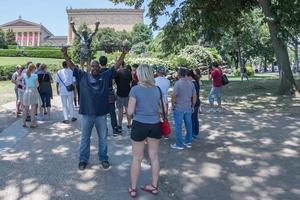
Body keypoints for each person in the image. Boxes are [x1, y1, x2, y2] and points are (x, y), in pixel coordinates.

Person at [61, 46, 128, 171]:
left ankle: (103, 158)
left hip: (101, 114)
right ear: (89, 67)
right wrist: (65, 54)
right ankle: (83, 159)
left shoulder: (105, 75)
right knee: (84, 138)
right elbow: (72, 66)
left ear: (99, 67)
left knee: (103, 138)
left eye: (96, 66)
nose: (95, 68)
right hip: (87, 114)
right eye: (93, 66)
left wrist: (123, 54)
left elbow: (116, 66)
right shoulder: (83, 76)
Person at [127, 64, 163, 198]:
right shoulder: (157, 89)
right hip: (154, 125)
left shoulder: (135, 90)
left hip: (139, 124)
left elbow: (130, 112)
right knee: (154, 157)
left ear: (140, 75)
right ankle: (154, 186)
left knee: (137, 158)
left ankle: (133, 188)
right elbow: (163, 108)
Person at [171, 67, 196, 150]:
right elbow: (194, 96)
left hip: (179, 107)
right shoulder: (191, 83)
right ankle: (188, 141)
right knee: (189, 125)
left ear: (179, 74)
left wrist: (173, 105)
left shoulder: (177, 83)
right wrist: (193, 106)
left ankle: (179, 144)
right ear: (186, 74)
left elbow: (174, 96)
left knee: (178, 126)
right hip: (188, 107)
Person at [99, 55, 121, 136]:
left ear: (99, 62)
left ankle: (104, 130)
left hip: (101, 94)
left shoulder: (98, 71)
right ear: (106, 62)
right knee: (112, 112)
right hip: (110, 92)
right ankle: (115, 129)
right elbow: (113, 81)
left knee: (102, 114)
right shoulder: (110, 71)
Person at [115, 61, 132, 132]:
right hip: (128, 92)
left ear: (120, 65)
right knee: (128, 109)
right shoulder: (129, 72)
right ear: (124, 64)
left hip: (119, 93)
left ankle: (119, 125)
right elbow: (130, 81)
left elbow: (115, 82)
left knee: (120, 110)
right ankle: (129, 124)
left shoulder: (117, 72)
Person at [22, 63, 40, 128]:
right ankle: (32, 123)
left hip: (26, 91)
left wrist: (25, 85)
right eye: (35, 69)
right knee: (33, 108)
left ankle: (23, 123)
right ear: (33, 69)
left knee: (25, 108)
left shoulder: (24, 75)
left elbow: (20, 81)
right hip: (33, 91)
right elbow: (37, 85)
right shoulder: (35, 76)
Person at [187, 69, 201, 139]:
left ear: (189, 76)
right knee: (194, 118)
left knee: (192, 119)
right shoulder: (195, 81)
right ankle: (195, 132)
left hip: (194, 103)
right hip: (196, 102)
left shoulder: (192, 83)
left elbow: (192, 95)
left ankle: (193, 133)